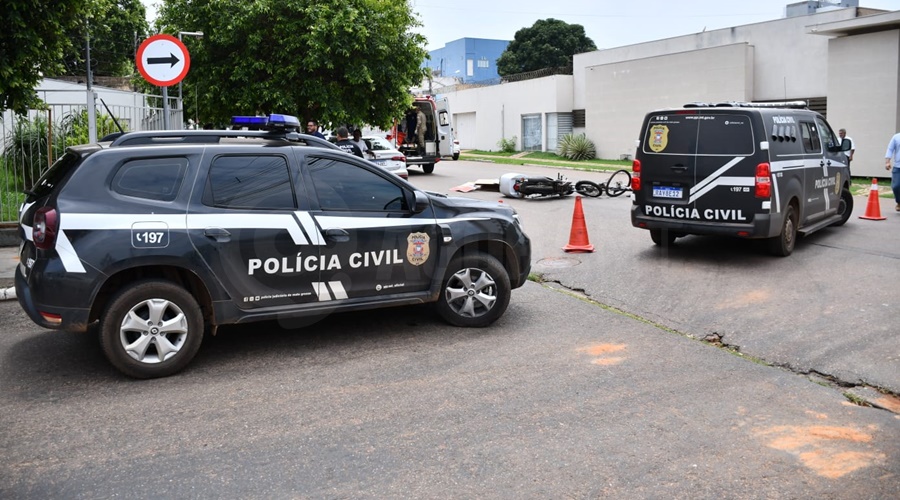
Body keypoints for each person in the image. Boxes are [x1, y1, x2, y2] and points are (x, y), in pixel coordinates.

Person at [885, 131, 900, 212]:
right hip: (898, 166)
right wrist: (887, 162)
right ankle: (899, 202)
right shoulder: (896, 137)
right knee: (896, 186)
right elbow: (890, 149)